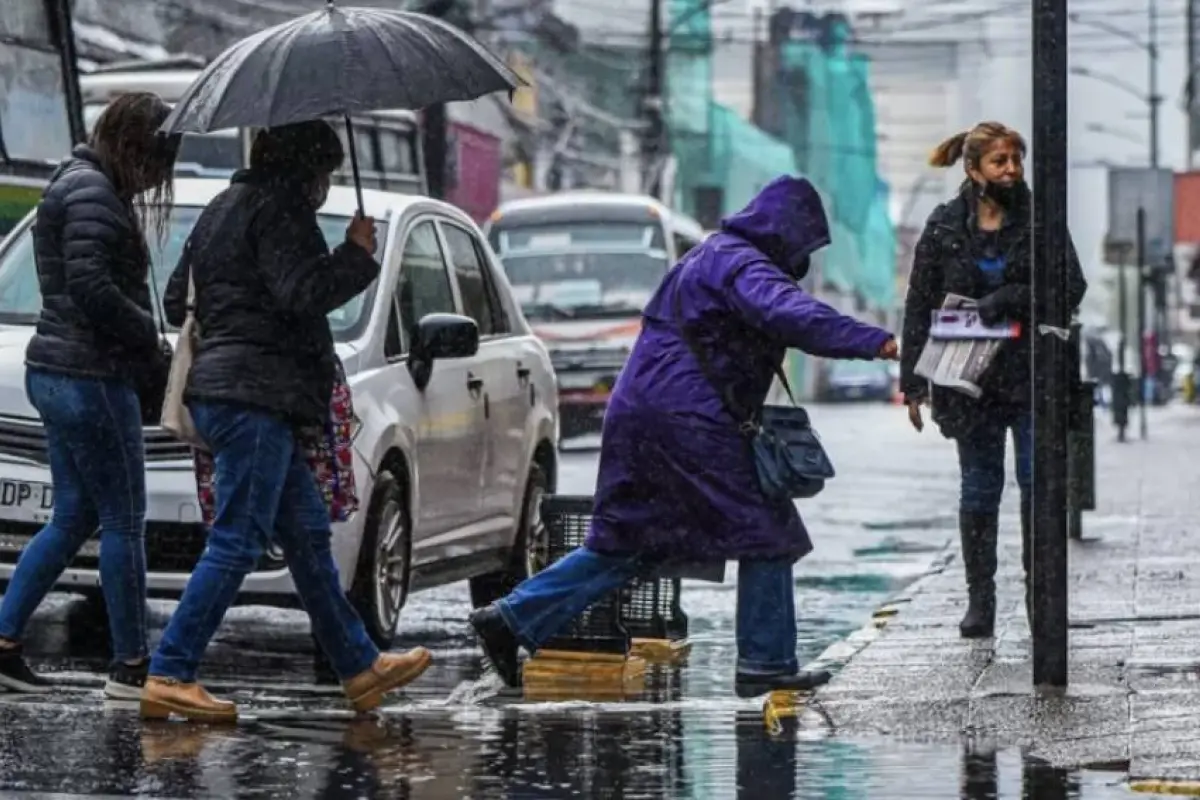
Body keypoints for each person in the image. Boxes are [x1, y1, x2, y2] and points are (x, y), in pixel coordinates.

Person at [470, 176, 898, 697]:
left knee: (630, 540)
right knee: (768, 532)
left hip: (640, 414)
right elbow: (790, 313)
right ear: (786, 233)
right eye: (804, 246)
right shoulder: (743, 264)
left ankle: (511, 619)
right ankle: (766, 662)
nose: (801, 261)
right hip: (687, 420)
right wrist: (876, 341)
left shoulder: (708, 255)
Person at [141, 121, 431, 723]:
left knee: (304, 534)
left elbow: (176, 299)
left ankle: (357, 665)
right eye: (325, 172)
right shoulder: (282, 210)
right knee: (238, 540)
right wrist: (355, 254)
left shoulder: (222, 207)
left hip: (227, 391)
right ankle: (171, 670)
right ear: (307, 169)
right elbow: (301, 293)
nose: (326, 185)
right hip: (255, 398)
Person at [0, 92, 178, 698]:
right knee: (125, 520)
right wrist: (149, 341)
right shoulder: (95, 194)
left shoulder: (76, 183)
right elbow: (92, 289)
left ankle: (2, 639)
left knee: (74, 515)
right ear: (134, 147)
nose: (158, 178)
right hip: (91, 377)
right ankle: (132, 666)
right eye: (156, 162)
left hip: (54, 369)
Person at [900, 121, 1087, 638]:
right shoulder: (942, 225)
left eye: (1015, 161)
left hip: (1031, 378)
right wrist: (913, 384)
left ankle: (1039, 598)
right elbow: (918, 305)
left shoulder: (1040, 220)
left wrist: (1008, 298)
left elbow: (1072, 284)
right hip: (967, 382)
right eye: (1000, 162)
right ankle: (980, 600)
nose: (1011, 170)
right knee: (979, 490)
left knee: (1037, 489)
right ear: (973, 168)